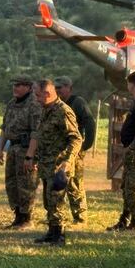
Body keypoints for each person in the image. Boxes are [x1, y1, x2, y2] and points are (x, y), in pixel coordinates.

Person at [25, 80, 82, 245]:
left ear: (47, 94)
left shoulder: (63, 111)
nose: (36, 99)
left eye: (38, 95)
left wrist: (67, 162)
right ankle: (52, 231)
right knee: (49, 200)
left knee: (56, 201)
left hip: (58, 166)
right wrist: (32, 157)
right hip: (46, 164)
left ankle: (60, 236)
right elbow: (41, 135)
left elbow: (76, 139)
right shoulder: (46, 110)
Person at [107, 71, 135, 233]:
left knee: (133, 187)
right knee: (127, 186)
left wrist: (132, 147)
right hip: (133, 150)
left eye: (128, 83)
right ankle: (124, 220)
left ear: (131, 84)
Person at [0, 75, 42, 229]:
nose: (15, 88)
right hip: (13, 148)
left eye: (20, 85)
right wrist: (0, 150)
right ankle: (18, 217)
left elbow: (37, 132)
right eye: (14, 85)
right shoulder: (12, 103)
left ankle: (27, 218)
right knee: (12, 183)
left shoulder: (34, 104)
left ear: (29, 87)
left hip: (26, 148)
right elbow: (4, 127)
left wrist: (30, 155)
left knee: (26, 184)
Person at [54, 76, 95, 224]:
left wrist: (85, 145)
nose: (58, 90)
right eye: (56, 88)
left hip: (74, 149)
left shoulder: (78, 103)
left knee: (75, 183)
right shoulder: (56, 104)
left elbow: (90, 123)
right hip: (59, 151)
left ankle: (80, 217)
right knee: (58, 183)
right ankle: (58, 216)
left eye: (60, 87)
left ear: (69, 88)